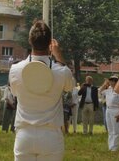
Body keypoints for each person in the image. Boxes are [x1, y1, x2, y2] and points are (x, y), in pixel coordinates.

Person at [9, 20, 74, 160]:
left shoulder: (15, 70)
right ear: (50, 43)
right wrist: (59, 56)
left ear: (30, 41)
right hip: (51, 136)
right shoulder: (62, 71)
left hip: (24, 134)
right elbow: (70, 87)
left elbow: (14, 93)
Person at [100, 75, 119, 152]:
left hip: (116, 110)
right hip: (108, 110)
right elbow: (100, 91)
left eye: (114, 80)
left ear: (117, 82)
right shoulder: (108, 89)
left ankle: (115, 148)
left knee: (116, 130)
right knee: (110, 129)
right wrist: (105, 84)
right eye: (111, 80)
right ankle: (110, 146)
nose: (113, 82)